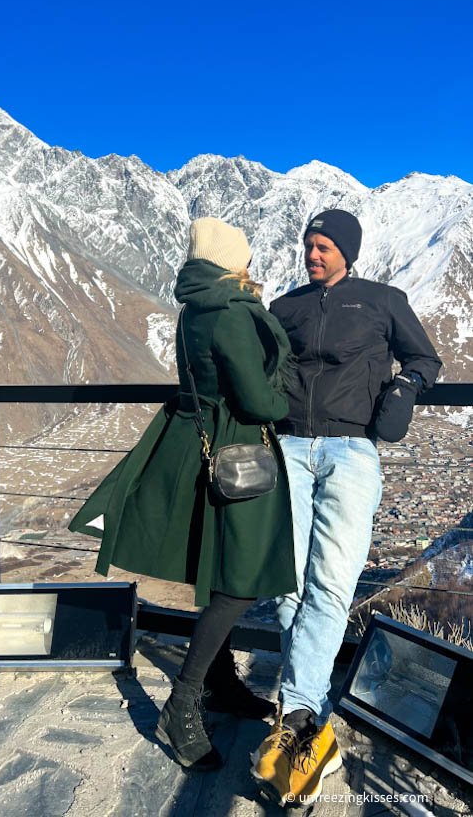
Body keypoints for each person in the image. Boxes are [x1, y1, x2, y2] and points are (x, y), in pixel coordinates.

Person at [69, 217, 297, 771]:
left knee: (222, 572)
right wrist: (288, 396)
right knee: (241, 580)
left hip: (203, 447)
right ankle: (184, 702)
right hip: (241, 452)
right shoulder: (232, 314)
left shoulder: (196, 307)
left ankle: (220, 682)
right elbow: (259, 402)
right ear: (230, 259)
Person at [251, 208, 442, 807]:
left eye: (326, 245)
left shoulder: (382, 300)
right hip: (286, 447)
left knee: (330, 585)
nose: (315, 253)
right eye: (309, 244)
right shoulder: (286, 307)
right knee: (286, 585)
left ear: (348, 251)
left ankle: (299, 716)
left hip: (351, 452)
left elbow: (424, 359)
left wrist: (405, 390)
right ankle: (310, 719)